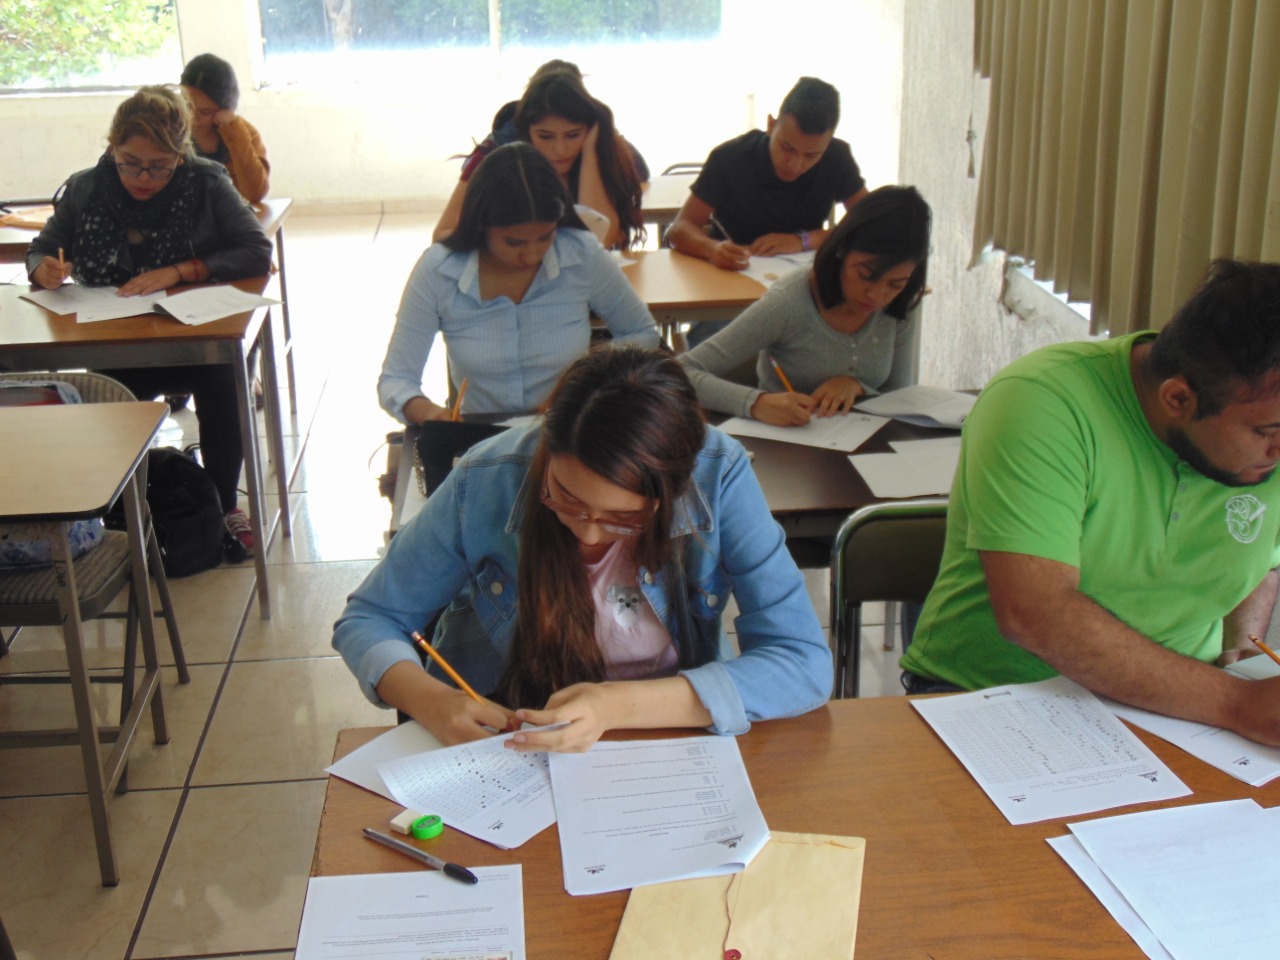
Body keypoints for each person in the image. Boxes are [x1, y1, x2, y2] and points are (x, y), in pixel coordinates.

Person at [336, 346, 832, 751]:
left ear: (673, 489)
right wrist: (431, 701)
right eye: (565, 498)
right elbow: (370, 618)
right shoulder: (488, 478)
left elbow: (802, 661)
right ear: (547, 449)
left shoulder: (717, 473)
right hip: (508, 735)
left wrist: (614, 707)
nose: (589, 535)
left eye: (624, 519)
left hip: (669, 733)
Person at [900, 259, 1280, 745]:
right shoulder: (1044, 402)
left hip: (1189, 710)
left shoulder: (1256, 437)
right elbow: (1035, 612)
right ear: (1178, 399)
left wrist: (1244, 652)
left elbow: (1261, 561)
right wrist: (1239, 703)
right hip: (995, 700)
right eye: (1266, 433)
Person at [27, 85, 274, 559]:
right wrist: (45, 268)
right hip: (114, 342)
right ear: (112, 148)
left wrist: (182, 270)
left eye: (158, 165)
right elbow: (42, 248)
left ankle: (222, 505)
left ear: (180, 154)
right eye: (130, 162)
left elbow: (255, 249)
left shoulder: (206, 182)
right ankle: (119, 511)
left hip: (192, 338)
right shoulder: (86, 187)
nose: (143, 176)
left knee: (225, 381)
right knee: (102, 405)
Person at [380, 143, 659, 425]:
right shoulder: (440, 269)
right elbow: (396, 380)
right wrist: (428, 413)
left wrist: (592, 370)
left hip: (568, 430)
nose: (531, 254)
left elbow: (641, 332)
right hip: (481, 436)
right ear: (481, 225)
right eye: (514, 242)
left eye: (545, 237)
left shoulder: (580, 253)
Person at [678, 185, 930, 426]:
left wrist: (857, 387)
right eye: (865, 274)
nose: (877, 295)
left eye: (895, 284)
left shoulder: (904, 300)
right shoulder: (792, 301)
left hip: (861, 442)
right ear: (842, 248)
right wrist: (756, 403)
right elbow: (679, 372)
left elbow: (900, 394)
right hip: (788, 447)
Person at [667, 77, 869, 272]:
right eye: (787, 148)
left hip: (803, 276)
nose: (795, 165)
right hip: (734, 272)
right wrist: (712, 249)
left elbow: (870, 223)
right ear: (771, 125)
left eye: (812, 155)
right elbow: (680, 228)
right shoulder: (730, 158)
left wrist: (805, 240)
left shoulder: (837, 157)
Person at [433, 67, 647, 250]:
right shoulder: (493, 156)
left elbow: (603, 239)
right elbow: (442, 236)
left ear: (589, 130)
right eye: (545, 136)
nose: (560, 149)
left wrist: (591, 153)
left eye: (573, 135)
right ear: (526, 132)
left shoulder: (600, 153)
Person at [181, 53, 270, 204]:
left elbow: (255, 193)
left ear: (225, 108)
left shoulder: (244, 133)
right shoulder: (171, 129)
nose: (193, 118)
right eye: (187, 106)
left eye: (205, 112)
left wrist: (233, 131)